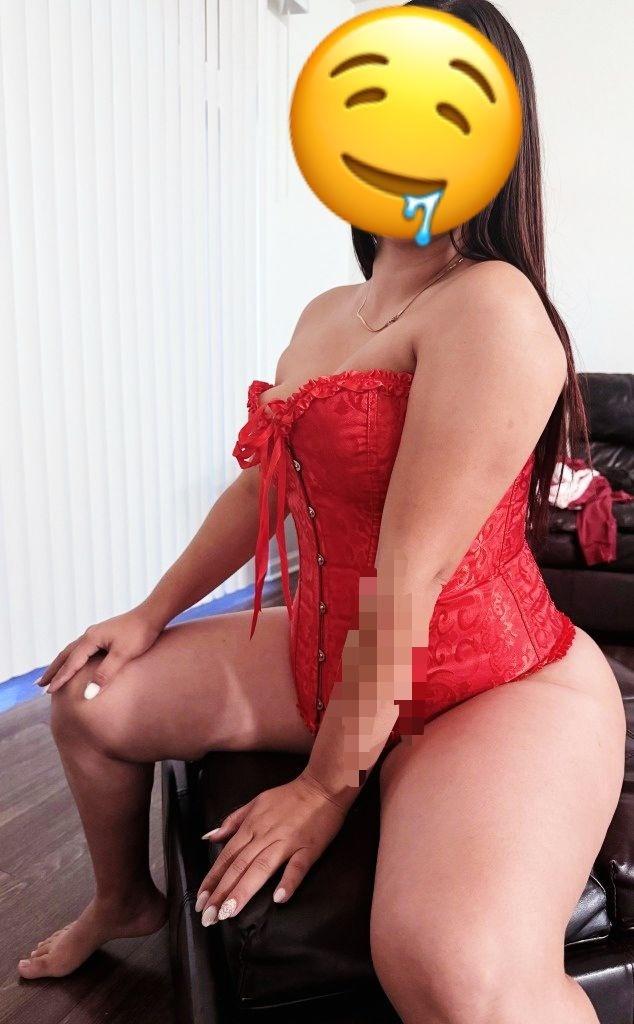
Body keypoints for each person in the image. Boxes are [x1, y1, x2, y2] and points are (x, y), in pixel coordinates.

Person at [19, 2, 626, 1022]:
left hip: (490, 684)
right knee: (86, 700)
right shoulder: (327, 313)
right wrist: (149, 611)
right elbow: (268, 484)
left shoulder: (492, 307)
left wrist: (326, 786)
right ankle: (124, 901)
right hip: (329, 649)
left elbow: (413, 576)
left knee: (453, 974)